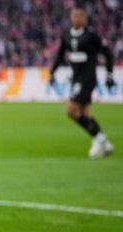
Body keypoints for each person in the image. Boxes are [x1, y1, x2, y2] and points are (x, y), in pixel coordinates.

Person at [50, 7, 116, 158]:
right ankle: (102, 143)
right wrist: (52, 73)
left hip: (88, 79)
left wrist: (110, 75)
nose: (77, 18)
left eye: (80, 15)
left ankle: (100, 139)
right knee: (85, 113)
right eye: (74, 15)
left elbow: (108, 54)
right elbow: (60, 55)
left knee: (71, 110)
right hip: (76, 79)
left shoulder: (91, 36)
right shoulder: (67, 35)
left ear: (85, 18)